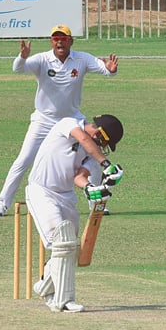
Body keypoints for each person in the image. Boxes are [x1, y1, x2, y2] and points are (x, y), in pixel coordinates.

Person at [0, 24, 119, 217]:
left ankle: (96, 202)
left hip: (73, 118)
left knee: (92, 155)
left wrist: (111, 70)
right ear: (52, 41)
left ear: (71, 41)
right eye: (56, 39)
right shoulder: (43, 59)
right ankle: (2, 203)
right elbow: (18, 69)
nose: (60, 42)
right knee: (23, 160)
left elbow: (106, 70)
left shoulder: (81, 59)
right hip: (44, 120)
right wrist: (23, 56)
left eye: (64, 38)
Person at [28, 114, 124, 313]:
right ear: (99, 133)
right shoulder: (68, 124)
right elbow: (83, 138)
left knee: (70, 248)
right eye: (105, 142)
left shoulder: (90, 154)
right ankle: (63, 301)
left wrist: (90, 188)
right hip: (42, 191)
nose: (103, 147)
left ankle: (44, 286)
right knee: (61, 242)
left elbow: (79, 176)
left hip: (66, 197)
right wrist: (106, 165)